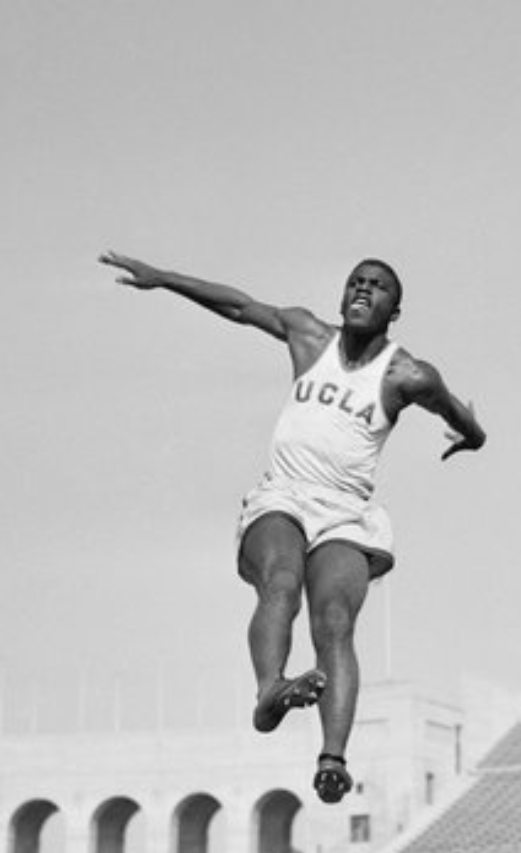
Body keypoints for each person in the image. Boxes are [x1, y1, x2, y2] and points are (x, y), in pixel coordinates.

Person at [99, 252, 486, 803]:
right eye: (355, 282)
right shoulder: (308, 335)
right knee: (281, 581)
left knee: (335, 621)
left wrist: (472, 435)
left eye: (376, 287)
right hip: (282, 495)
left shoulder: (408, 374)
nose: (362, 290)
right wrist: (164, 280)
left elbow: (454, 411)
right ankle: (269, 691)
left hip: (346, 512)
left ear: (394, 311)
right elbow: (238, 306)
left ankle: (332, 760)